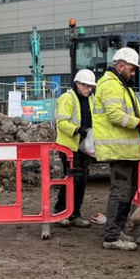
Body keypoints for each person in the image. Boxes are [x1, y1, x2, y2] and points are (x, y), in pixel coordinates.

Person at [94, 47, 140, 251]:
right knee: (120, 193)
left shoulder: (120, 85)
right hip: (118, 150)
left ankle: (117, 229)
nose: (133, 73)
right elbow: (115, 115)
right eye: (132, 69)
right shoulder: (110, 85)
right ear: (121, 66)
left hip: (127, 150)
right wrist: (139, 123)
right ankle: (112, 236)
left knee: (128, 191)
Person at [52, 69, 101, 229]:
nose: (89, 89)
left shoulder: (91, 99)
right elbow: (61, 123)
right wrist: (79, 129)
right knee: (71, 180)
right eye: (86, 86)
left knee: (82, 180)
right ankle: (61, 212)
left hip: (83, 146)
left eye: (91, 87)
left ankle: (74, 214)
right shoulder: (67, 98)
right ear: (78, 84)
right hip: (69, 146)